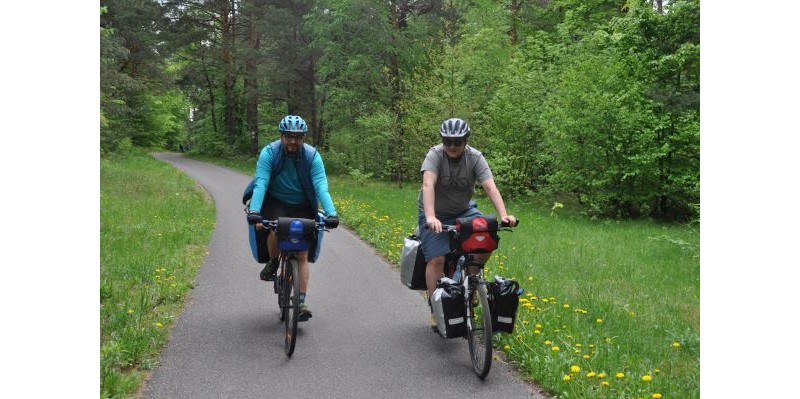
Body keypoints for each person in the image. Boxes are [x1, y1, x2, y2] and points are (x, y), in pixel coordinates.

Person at [417, 117, 518, 330]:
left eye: (458, 142)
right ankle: (438, 309)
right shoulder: (435, 155)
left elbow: (490, 187)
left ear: (466, 141)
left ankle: (469, 287)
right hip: (434, 212)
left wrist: (504, 215)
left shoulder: (475, 157)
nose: (452, 146)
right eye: (448, 142)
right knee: (436, 259)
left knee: (487, 239)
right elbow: (428, 185)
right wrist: (431, 217)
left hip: (464, 211)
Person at [246, 115, 339, 321]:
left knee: (302, 254)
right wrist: (254, 211)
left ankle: (301, 302)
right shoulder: (270, 153)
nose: (293, 141)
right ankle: (272, 262)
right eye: (288, 137)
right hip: (275, 200)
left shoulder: (312, 157)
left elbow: (321, 186)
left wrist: (331, 213)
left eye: (297, 137)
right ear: (281, 136)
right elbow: (261, 183)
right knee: (275, 228)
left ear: (304, 137)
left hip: (303, 204)